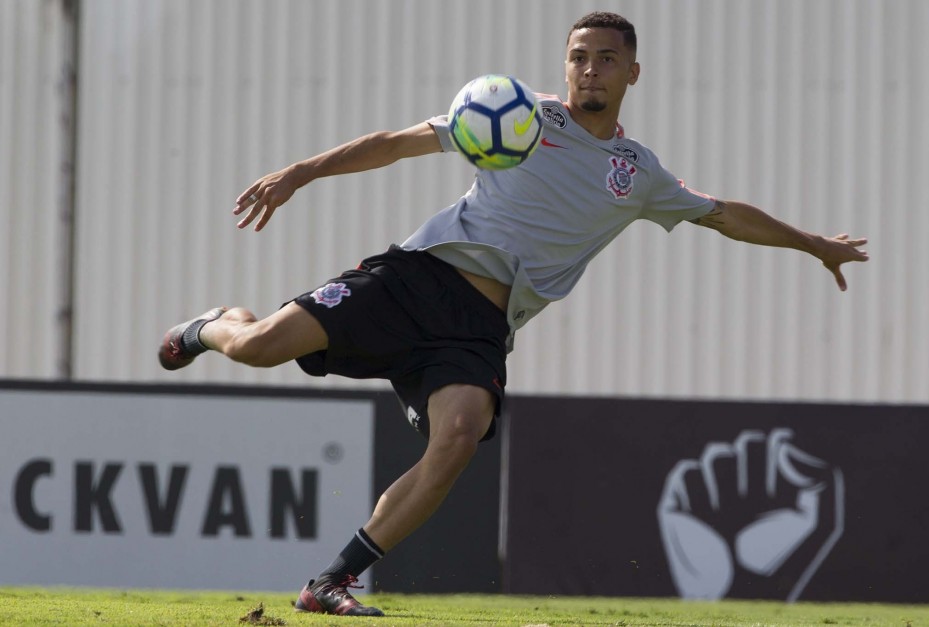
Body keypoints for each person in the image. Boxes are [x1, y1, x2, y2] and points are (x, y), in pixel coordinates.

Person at [159, 11, 868, 617]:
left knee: (459, 436)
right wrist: (303, 170)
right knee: (255, 346)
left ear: (632, 74)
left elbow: (722, 214)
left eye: (605, 60)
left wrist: (812, 245)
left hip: (478, 328)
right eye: (577, 57)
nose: (588, 70)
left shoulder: (638, 172)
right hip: (414, 279)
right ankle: (209, 323)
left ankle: (330, 580)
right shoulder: (515, 112)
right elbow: (399, 142)